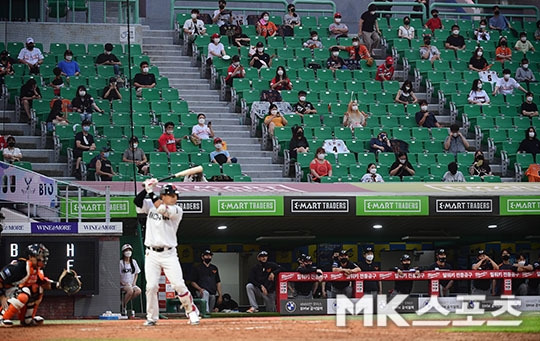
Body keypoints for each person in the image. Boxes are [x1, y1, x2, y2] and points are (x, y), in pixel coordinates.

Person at [134, 182, 200, 326]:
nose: (174, 198)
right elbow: (137, 202)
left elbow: (162, 208)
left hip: (169, 254)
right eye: (170, 195)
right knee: (151, 287)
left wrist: (151, 192)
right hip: (151, 253)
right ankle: (152, 317)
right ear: (163, 196)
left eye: (175, 195)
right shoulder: (151, 205)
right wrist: (146, 189)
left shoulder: (177, 210)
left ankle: (191, 311)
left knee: (178, 285)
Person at [0, 244, 51, 327]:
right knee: (24, 293)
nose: (42, 259)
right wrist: (1, 296)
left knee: (37, 289)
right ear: (30, 257)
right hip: (3, 292)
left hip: (10, 293)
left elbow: (44, 284)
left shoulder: (35, 270)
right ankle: (2, 317)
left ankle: (27, 319)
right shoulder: (19, 267)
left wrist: (60, 285)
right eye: (39, 256)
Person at [120, 244, 142, 315]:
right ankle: (123, 306)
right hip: (123, 284)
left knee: (138, 291)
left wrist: (134, 283)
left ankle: (123, 303)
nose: (128, 252)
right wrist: (122, 283)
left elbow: (136, 273)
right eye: (126, 250)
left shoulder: (134, 262)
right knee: (130, 290)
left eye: (129, 250)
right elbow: (116, 275)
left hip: (131, 283)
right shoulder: (120, 263)